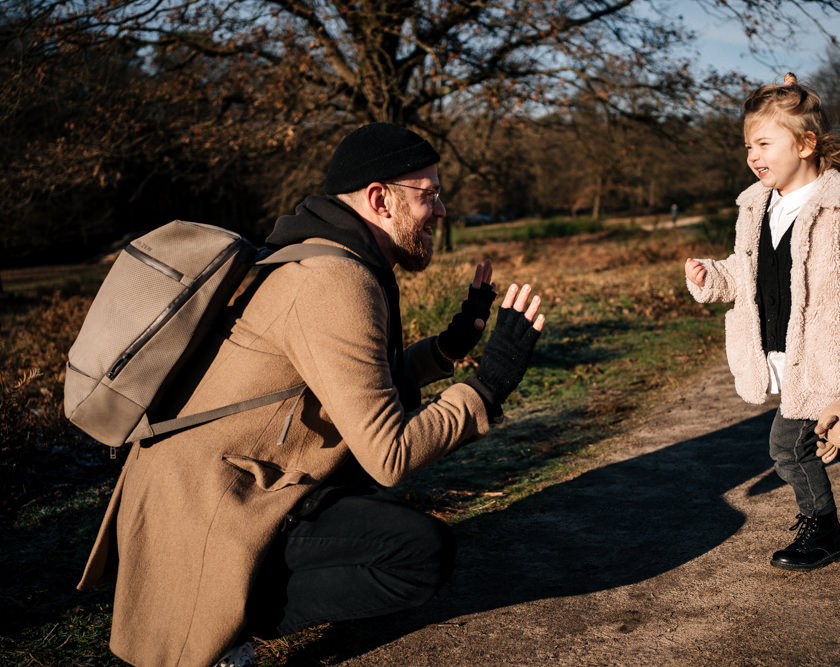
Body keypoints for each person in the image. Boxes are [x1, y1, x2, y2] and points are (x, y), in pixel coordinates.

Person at [77, 122, 546, 666]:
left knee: (380, 518)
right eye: (429, 194)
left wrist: (448, 347)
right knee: (416, 553)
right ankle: (224, 618)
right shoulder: (335, 281)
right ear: (380, 199)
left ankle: (238, 597)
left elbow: (355, 389)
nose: (441, 209)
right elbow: (390, 454)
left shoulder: (323, 257)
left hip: (216, 481)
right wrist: (490, 383)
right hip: (211, 505)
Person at [683, 73, 840, 571]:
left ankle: (824, 529)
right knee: (830, 430)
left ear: (806, 143)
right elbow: (747, 271)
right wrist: (713, 276)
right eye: (747, 146)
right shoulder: (755, 207)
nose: (753, 156)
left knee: (788, 445)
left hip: (828, 350)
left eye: (763, 143)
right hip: (782, 348)